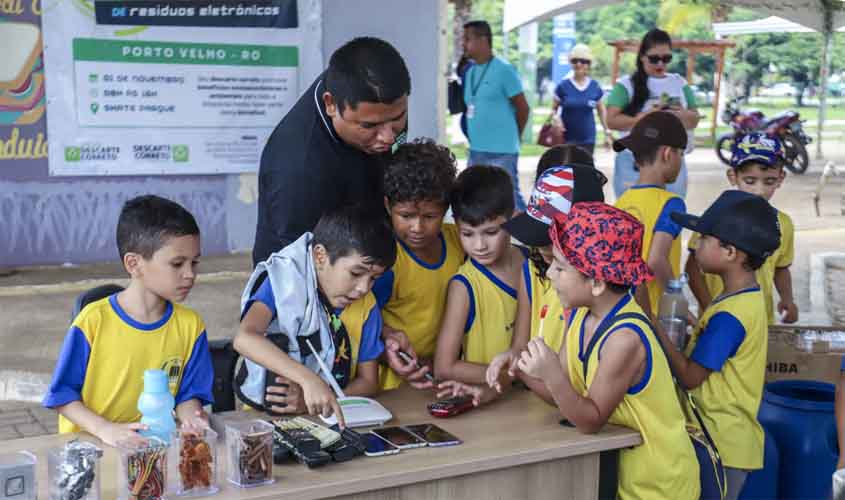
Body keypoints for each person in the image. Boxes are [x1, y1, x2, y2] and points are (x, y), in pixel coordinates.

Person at [451, 202, 700, 499]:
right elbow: (563, 393)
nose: (550, 273)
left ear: (596, 282)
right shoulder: (581, 315)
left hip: (658, 484)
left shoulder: (624, 338)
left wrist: (550, 373)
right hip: (623, 474)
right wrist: (516, 367)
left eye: (560, 267)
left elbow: (590, 419)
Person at [43, 195, 214, 446]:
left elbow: (187, 396)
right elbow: (62, 395)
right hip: (91, 448)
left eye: (194, 263)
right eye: (177, 264)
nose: (190, 274)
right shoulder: (92, 321)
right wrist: (106, 430)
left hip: (150, 449)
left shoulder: (191, 326)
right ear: (134, 264)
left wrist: (192, 420)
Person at [658, 190, 780, 499]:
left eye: (703, 239)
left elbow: (690, 376)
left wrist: (653, 325)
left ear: (730, 252)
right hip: (723, 440)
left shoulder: (730, 317)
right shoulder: (739, 299)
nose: (695, 246)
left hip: (718, 444)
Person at [234, 207, 398, 427]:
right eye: (356, 273)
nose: (363, 288)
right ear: (320, 256)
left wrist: (314, 401)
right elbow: (245, 338)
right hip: (265, 421)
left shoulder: (367, 307)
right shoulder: (283, 282)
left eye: (373, 278)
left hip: (329, 422)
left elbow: (369, 383)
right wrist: (309, 380)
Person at [253, 36, 410, 266]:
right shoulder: (298, 168)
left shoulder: (378, 104)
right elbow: (305, 264)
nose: (388, 137)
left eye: (398, 118)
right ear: (331, 105)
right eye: (370, 126)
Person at [373, 138, 462, 390]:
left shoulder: (458, 241)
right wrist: (388, 348)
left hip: (439, 374)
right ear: (388, 206)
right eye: (406, 216)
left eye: (430, 216)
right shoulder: (386, 261)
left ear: (445, 209)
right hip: (395, 379)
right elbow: (362, 320)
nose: (417, 227)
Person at [686, 132, 797, 324]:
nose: (759, 191)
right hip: (718, 318)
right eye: (750, 181)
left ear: (781, 178)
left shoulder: (783, 224)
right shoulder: (715, 217)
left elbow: (781, 268)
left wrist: (787, 299)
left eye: (769, 181)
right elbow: (692, 269)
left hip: (760, 320)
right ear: (733, 176)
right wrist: (708, 305)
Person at [434, 166, 525, 385]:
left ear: (514, 219)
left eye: (491, 232)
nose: (479, 245)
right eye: (467, 234)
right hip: (492, 397)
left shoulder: (534, 263)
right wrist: (508, 377)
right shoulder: (464, 286)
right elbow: (444, 368)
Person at [606, 28, 700, 199]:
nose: (660, 64)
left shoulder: (679, 83)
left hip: (672, 161)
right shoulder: (625, 85)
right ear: (642, 56)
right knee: (631, 212)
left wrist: (679, 116)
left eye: (666, 58)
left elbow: (694, 119)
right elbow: (611, 121)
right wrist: (644, 119)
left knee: (670, 211)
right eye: (654, 59)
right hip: (633, 160)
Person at [613, 111, 688, 319]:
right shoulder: (671, 203)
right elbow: (656, 259)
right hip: (655, 312)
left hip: (623, 311)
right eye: (681, 154)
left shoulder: (622, 201)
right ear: (667, 154)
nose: (681, 161)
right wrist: (677, 299)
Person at [462, 20, 531, 211]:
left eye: (467, 39)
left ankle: (530, 229)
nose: (463, 44)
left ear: (483, 40)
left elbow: (523, 108)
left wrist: (515, 137)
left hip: (502, 151)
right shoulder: (470, 72)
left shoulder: (504, 70)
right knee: (477, 200)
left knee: (510, 199)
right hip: (476, 150)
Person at [550, 44, 612, 155]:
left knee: (585, 165)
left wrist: (607, 132)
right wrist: (556, 119)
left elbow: (601, 111)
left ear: (589, 64)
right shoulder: (563, 86)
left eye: (583, 61)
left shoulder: (595, 87)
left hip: (588, 139)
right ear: (571, 63)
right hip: (566, 139)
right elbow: (553, 110)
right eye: (575, 61)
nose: (579, 64)